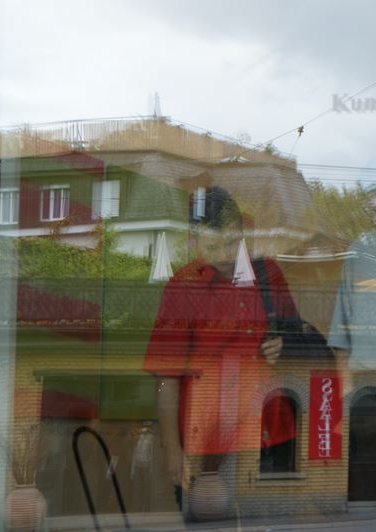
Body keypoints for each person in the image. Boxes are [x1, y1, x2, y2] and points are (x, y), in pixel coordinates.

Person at [143, 186, 295, 518]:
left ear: (242, 233)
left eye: (232, 242)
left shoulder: (267, 276)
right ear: (193, 241)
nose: (225, 255)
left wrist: (285, 345)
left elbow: (301, 335)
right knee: (204, 511)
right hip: (204, 434)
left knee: (261, 516)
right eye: (213, 246)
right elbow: (167, 376)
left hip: (264, 428)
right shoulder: (184, 286)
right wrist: (173, 448)